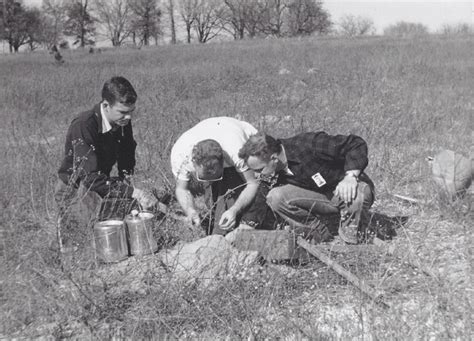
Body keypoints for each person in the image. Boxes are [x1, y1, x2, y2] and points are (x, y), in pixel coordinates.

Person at [55, 76, 156, 231]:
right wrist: (132, 192)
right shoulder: (83, 125)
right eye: (123, 112)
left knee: (111, 233)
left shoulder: (122, 122)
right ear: (106, 105)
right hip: (75, 189)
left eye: (131, 112)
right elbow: (89, 178)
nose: (128, 117)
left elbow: (127, 154)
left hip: (100, 185)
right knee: (81, 239)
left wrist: (127, 180)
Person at [238, 131, 375, 244]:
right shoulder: (271, 170)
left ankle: (351, 239)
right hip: (322, 196)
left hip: (347, 188)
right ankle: (318, 234)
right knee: (275, 197)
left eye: (259, 169)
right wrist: (247, 224)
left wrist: (350, 176)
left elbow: (355, 143)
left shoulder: (308, 144)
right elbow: (262, 194)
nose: (256, 175)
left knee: (357, 194)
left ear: (274, 158)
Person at [170, 117, 269, 235]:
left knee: (235, 195)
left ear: (223, 161)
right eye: (204, 177)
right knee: (212, 200)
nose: (211, 178)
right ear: (194, 163)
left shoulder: (236, 152)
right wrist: (190, 210)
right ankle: (218, 225)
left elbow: (252, 183)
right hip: (216, 131)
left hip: (246, 141)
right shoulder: (180, 156)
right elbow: (182, 189)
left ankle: (234, 229)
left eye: (216, 174)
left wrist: (234, 209)